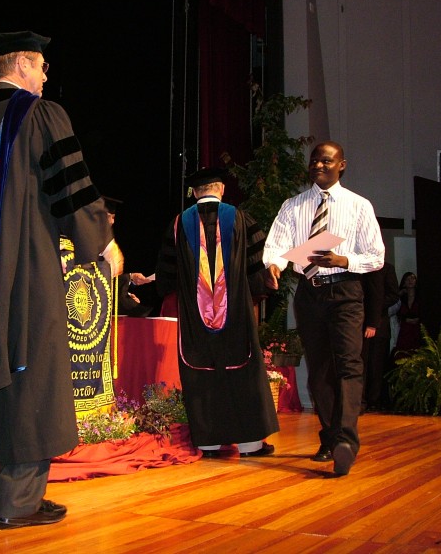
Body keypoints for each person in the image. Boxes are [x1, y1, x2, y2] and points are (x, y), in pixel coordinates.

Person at [0, 29, 123, 529]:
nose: (45, 76)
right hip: (28, 276)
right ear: (22, 65)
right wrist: (103, 240)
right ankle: (18, 503)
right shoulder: (44, 116)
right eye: (41, 66)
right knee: (31, 375)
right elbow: (71, 190)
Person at [263, 141, 384, 476]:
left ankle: (345, 440)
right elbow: (277, 244)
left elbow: (376, 256)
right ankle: (330, 437)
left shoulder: (358, 206)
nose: (318, 165)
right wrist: (274, 264)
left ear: (341, 165)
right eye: (314, 160)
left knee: (348, 364)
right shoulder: (294, 205)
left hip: (345, 290)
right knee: (319, 371)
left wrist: (342, 259)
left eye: (326, 161)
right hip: (309, 293)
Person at [155, 166, 279, 458]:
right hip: (236, 319)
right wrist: (261, 286)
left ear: (195, 192)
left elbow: (166, 278)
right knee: (242, 371)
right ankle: (250, 445)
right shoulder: (239, 219)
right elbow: (255, 271)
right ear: (220, 189)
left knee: (202, 373)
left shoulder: (177, 224)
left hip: (195, 322)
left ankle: (209, 443)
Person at [103, 196, 155, 317]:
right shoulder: (87, 242)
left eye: (114, 217)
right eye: (110, 217)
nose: (112, 222)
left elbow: (108, 277)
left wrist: (129, 281)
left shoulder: (107, 242)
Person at [361, 261, 400, 411]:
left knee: (376, 365)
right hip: (361, 323)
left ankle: (374, 401)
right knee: (360, 363)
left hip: (380, 324)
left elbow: (393, 295)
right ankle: (361, 401)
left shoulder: (387, 268)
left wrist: (374, 307)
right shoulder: (360, 268)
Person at [393, 271, 420, 358]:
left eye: (412, 278)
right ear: (404, 283)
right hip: (404, 330)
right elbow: (394, 311)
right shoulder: (401, 297)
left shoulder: (420, 296)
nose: (410, 281)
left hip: (418, 329)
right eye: (407, 279)